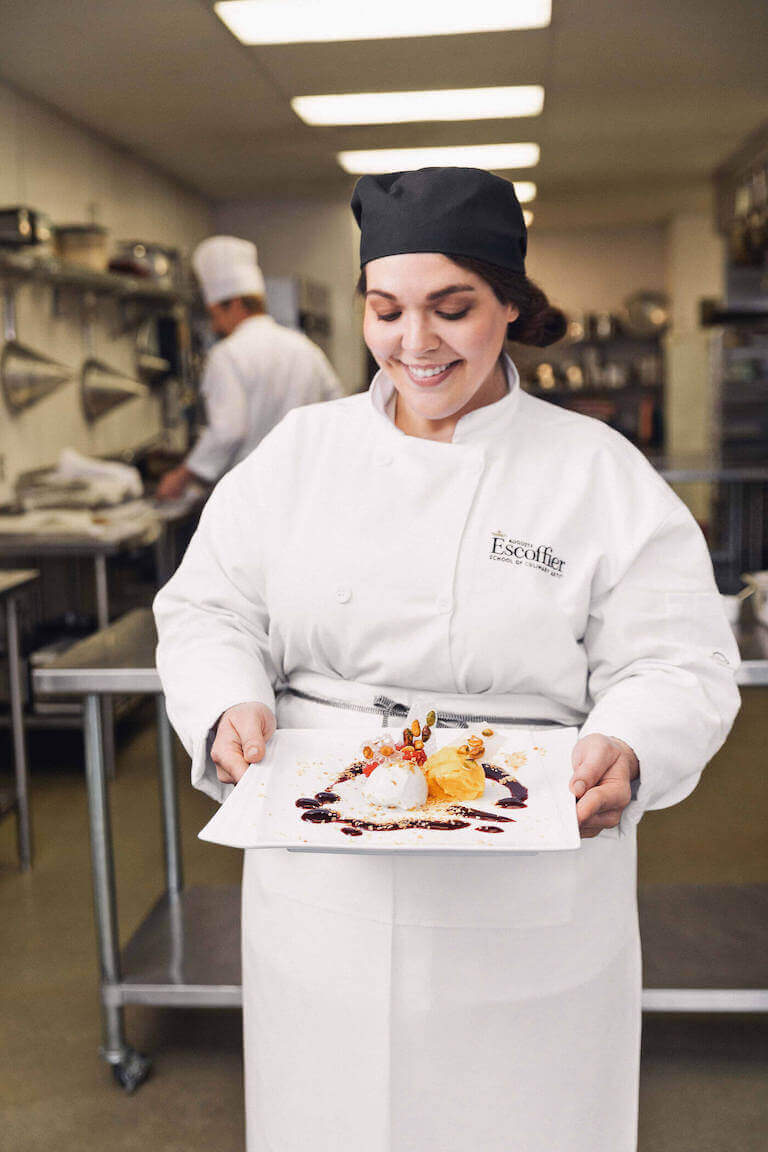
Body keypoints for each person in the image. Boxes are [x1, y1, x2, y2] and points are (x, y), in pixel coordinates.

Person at [154, 168, 740, 1152]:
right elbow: (211, 608)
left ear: (511, 302)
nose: (414, 344)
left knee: (524, 1119)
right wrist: (226, 704)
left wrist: (631, 745)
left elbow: (677, 658)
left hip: (530, 876)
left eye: (452, 308)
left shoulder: (593, 471)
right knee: (331, 1116)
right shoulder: (303, 455)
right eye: (386, 311)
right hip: (322, 867)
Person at [156, 235, 341, 500]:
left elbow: (228, 431)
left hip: (254, 494)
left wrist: (182, 476)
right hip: (305, 490)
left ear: (234, 304)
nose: (214, 326)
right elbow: (336, 404)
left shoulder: (227, 355)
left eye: (215, 314)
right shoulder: (304, 346)